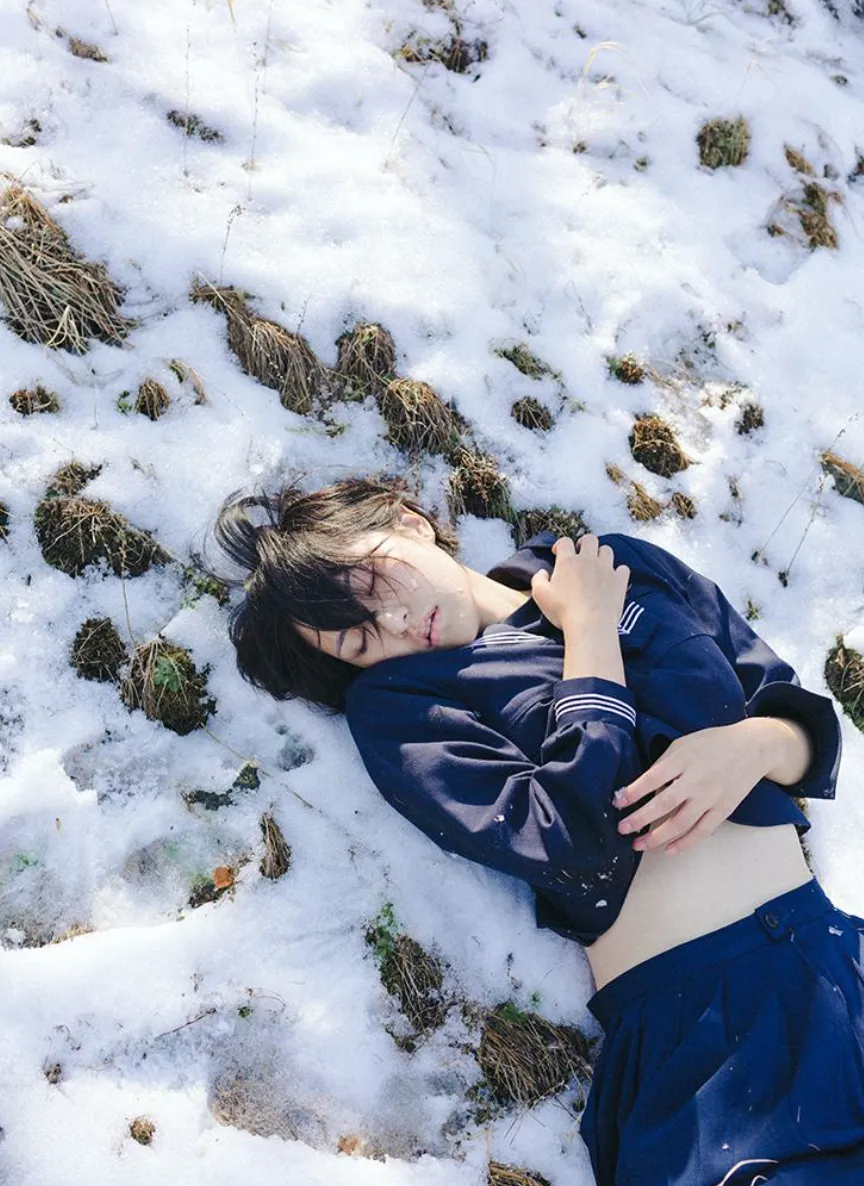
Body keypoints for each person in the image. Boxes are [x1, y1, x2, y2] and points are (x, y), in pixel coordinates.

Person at [212, 475, 864, 1186]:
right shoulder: (403, 708)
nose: (393, 623)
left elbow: (794, 716)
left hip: (837, 957)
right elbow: (570, 839)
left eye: (372, 581)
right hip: (709, 1036)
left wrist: (754, 746)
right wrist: (590, 635)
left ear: (409, 522)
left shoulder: (613, 565)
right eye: (358, 641)